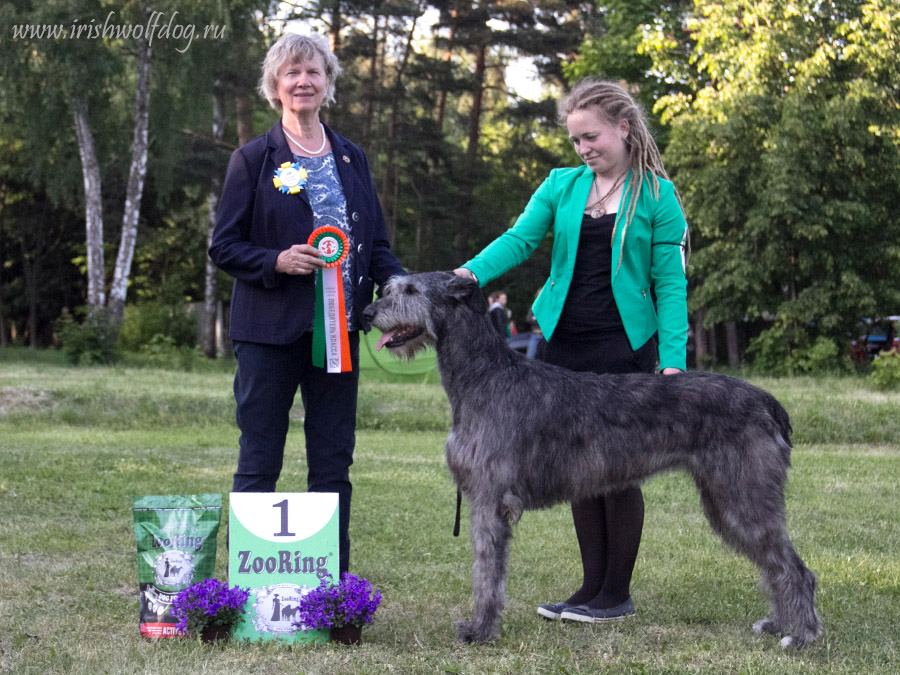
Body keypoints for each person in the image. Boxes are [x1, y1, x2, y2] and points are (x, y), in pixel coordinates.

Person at [454, 77, 689, 623]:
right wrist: (467, 274)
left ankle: (617, 594)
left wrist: (672, 361)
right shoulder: (561, 186)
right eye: (576, 140)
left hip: (625, 347)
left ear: (623, 128)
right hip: (563, 344)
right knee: (577, 466)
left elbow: (671, 284)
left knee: (620, 468)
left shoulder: (658, 195)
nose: (583, 149)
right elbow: (519, 240)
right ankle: (589, 589)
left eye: (591, 137)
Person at [209, 33, 406, 575]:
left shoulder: (352, 157)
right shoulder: (252, 159)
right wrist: (276, 261)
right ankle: (246, 587)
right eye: (292, 73)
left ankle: (331, 586)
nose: (303, 81)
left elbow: (378, 247)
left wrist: (405, 288)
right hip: (269, 335)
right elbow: (223, 246)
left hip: (339, 336)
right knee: (259, 460)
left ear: (328, 83)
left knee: (333, 464)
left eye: (313, 72)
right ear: (275, 86)